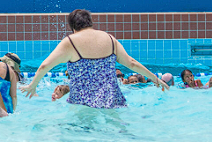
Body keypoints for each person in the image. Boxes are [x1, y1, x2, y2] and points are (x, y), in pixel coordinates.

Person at [24, 10, 167, 106]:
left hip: (82, 104)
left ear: (73, 27)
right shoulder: (110, 39)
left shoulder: (70, 42)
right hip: (112, 102)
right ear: (90, 23)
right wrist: (155, 79)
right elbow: (132, 63)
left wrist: (33, 85)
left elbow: (45, 66)